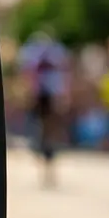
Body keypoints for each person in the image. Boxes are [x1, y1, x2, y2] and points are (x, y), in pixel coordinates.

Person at [19, 29, 70, 187]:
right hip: (41, 98)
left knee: (50, 132)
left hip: (48, 97)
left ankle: (49, 165)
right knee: (42, 132)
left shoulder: (52, 59)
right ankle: (45, 163)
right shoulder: (41, 59)